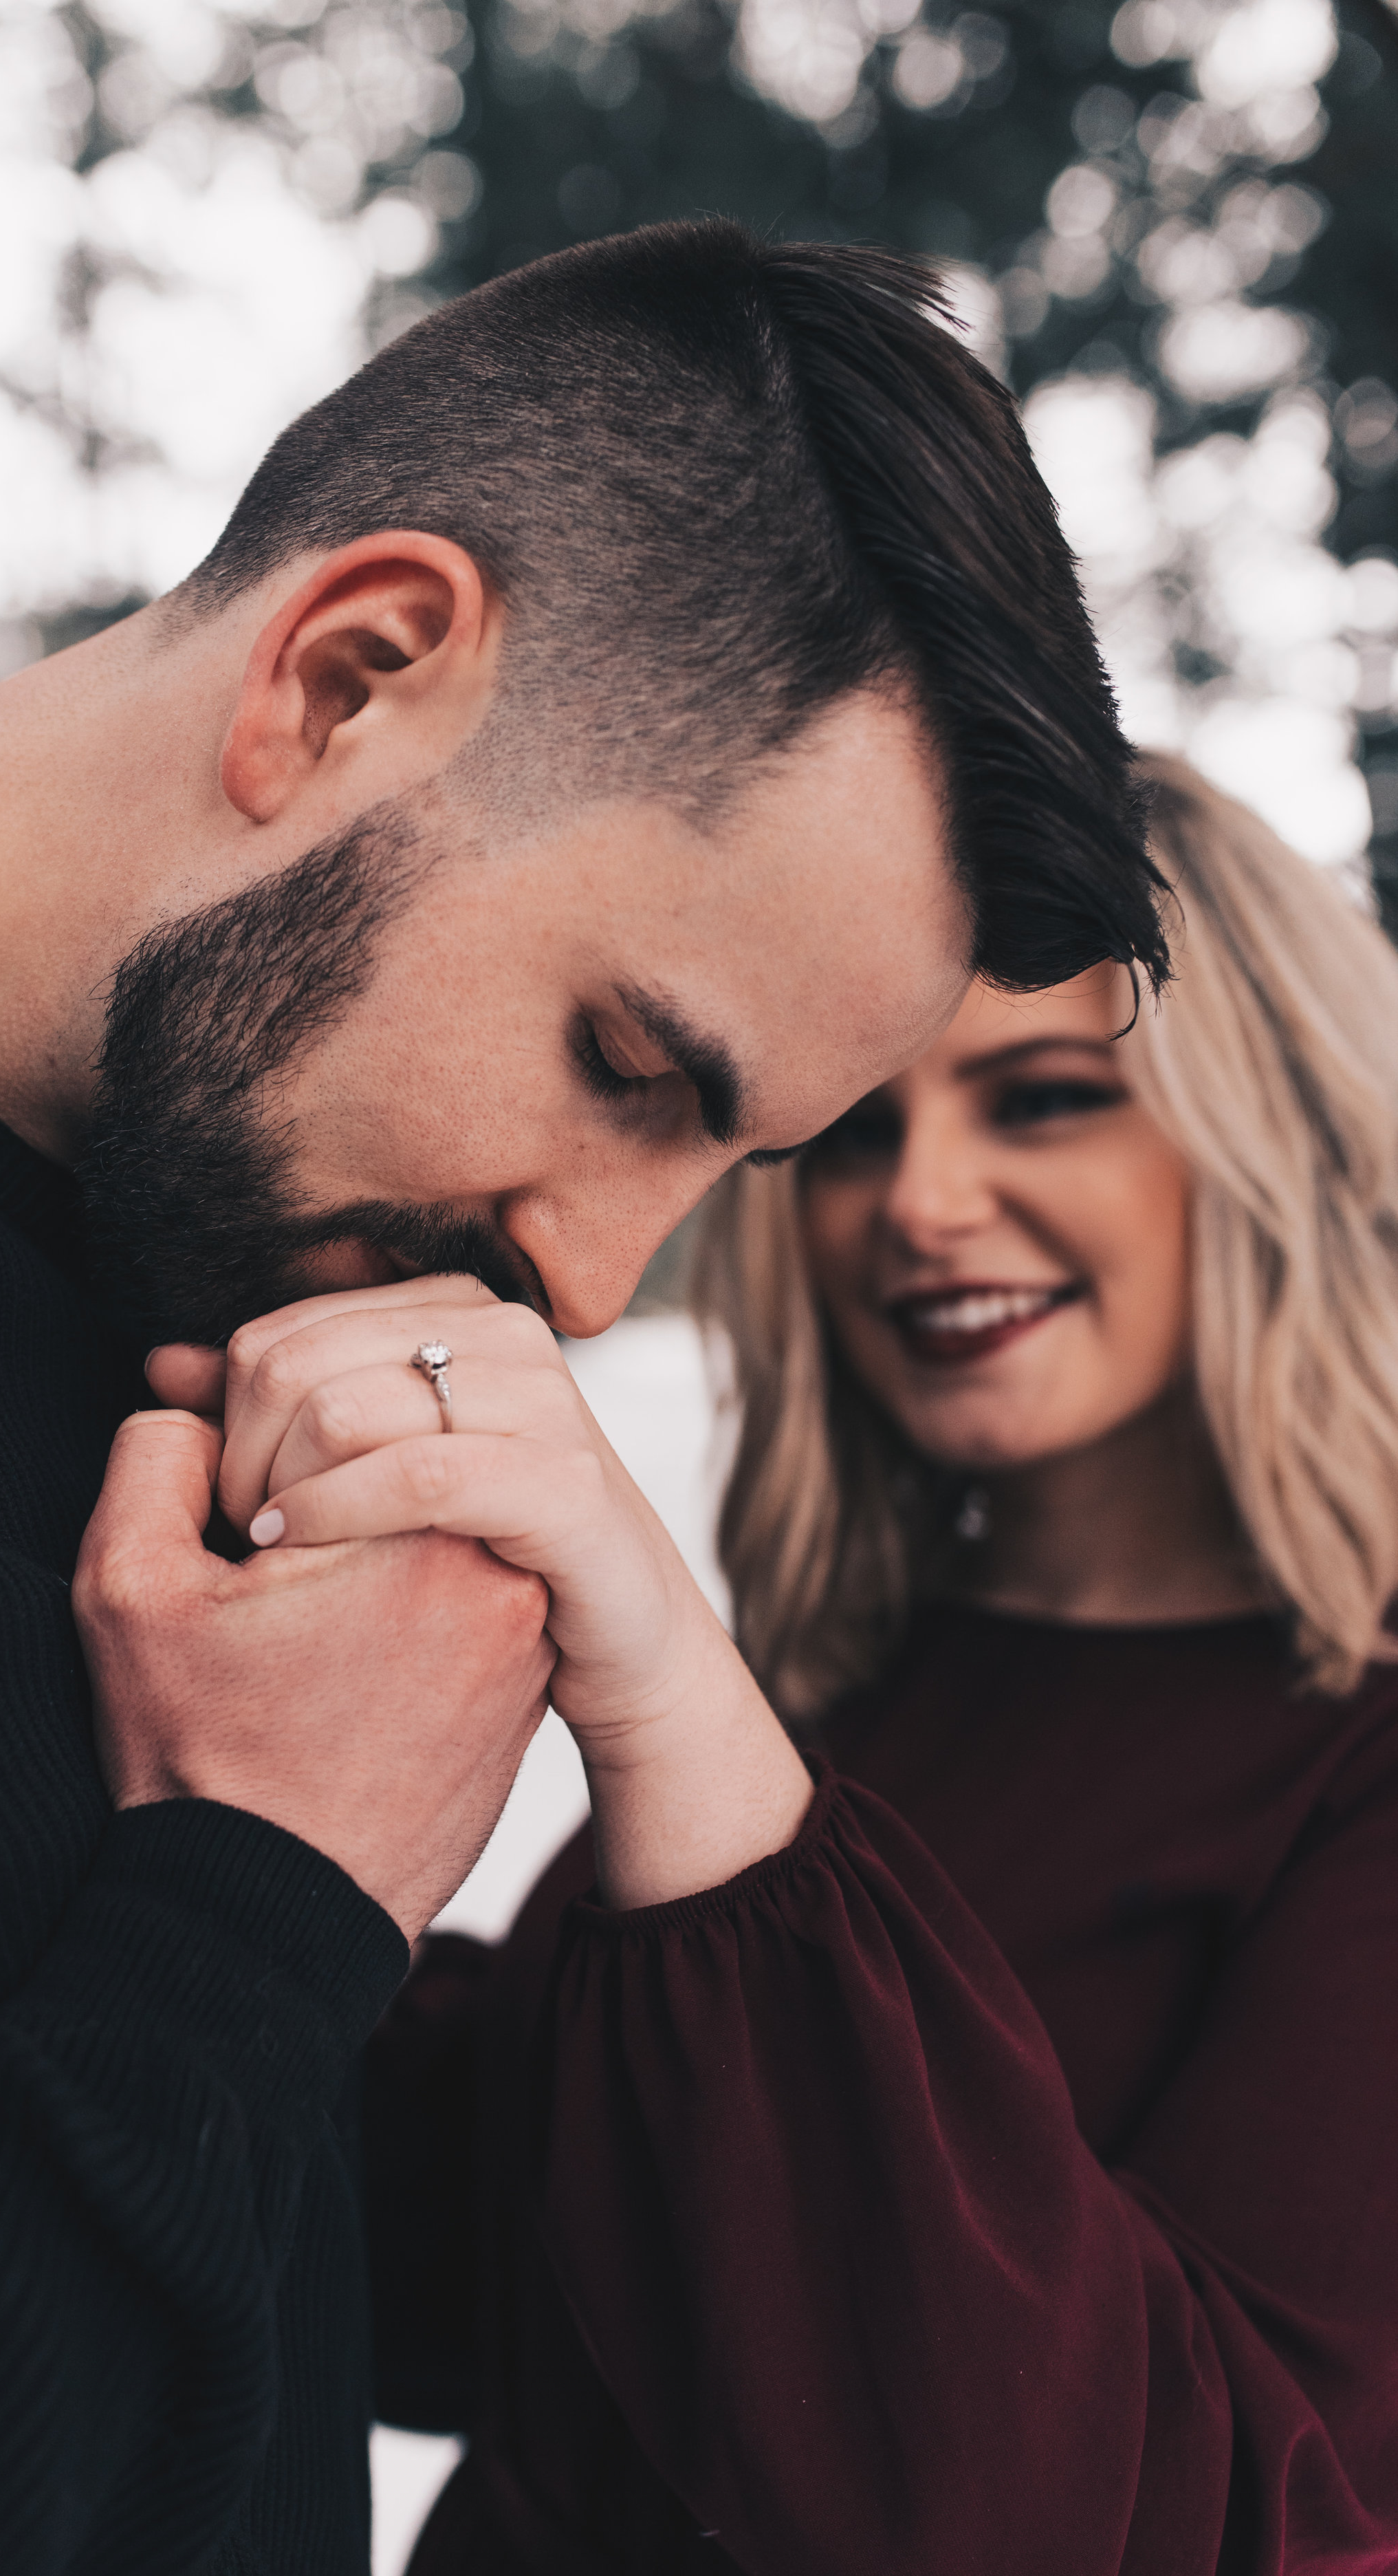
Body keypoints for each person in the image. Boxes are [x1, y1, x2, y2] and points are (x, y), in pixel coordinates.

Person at [0, 223, 1164, 2573]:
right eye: (629, 1066)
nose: (587, 1279)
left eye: (727, 1168)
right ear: (349, 674)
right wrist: (258, 1904)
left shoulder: (228, 1329)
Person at [191, 755, 1398, 2570]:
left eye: (1047, 1102)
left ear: (1277, 1135)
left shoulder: (1349, 1771)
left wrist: (672, 1695)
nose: (917, 1202)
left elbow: (1187, 2514)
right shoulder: (840, 1700)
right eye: (854, 1133)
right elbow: (478, 2289)